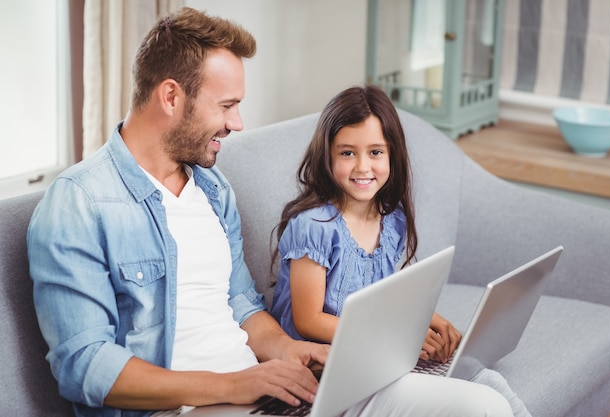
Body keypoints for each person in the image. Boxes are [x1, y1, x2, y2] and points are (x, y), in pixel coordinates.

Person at [27, 7, 513, 417]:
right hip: (191, 406)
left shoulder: (212, 189)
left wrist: (294, 352)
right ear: (171, 96)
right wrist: (234, 385)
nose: (237, 123)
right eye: (227, 106)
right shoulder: (79, 203)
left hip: (263, 392)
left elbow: (242, 306)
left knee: (481, 405)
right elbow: (84, 366)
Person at [270, 85, 460, 364]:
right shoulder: (314, 227)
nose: (362, 167)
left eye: (375, 152)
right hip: (319, 362)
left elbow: (383, 296)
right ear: (327, 156)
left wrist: (429, 318)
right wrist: (397, 334)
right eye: (347, 153)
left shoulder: (392, 220)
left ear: (393, 155)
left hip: (371, 350)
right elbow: (308, 321)